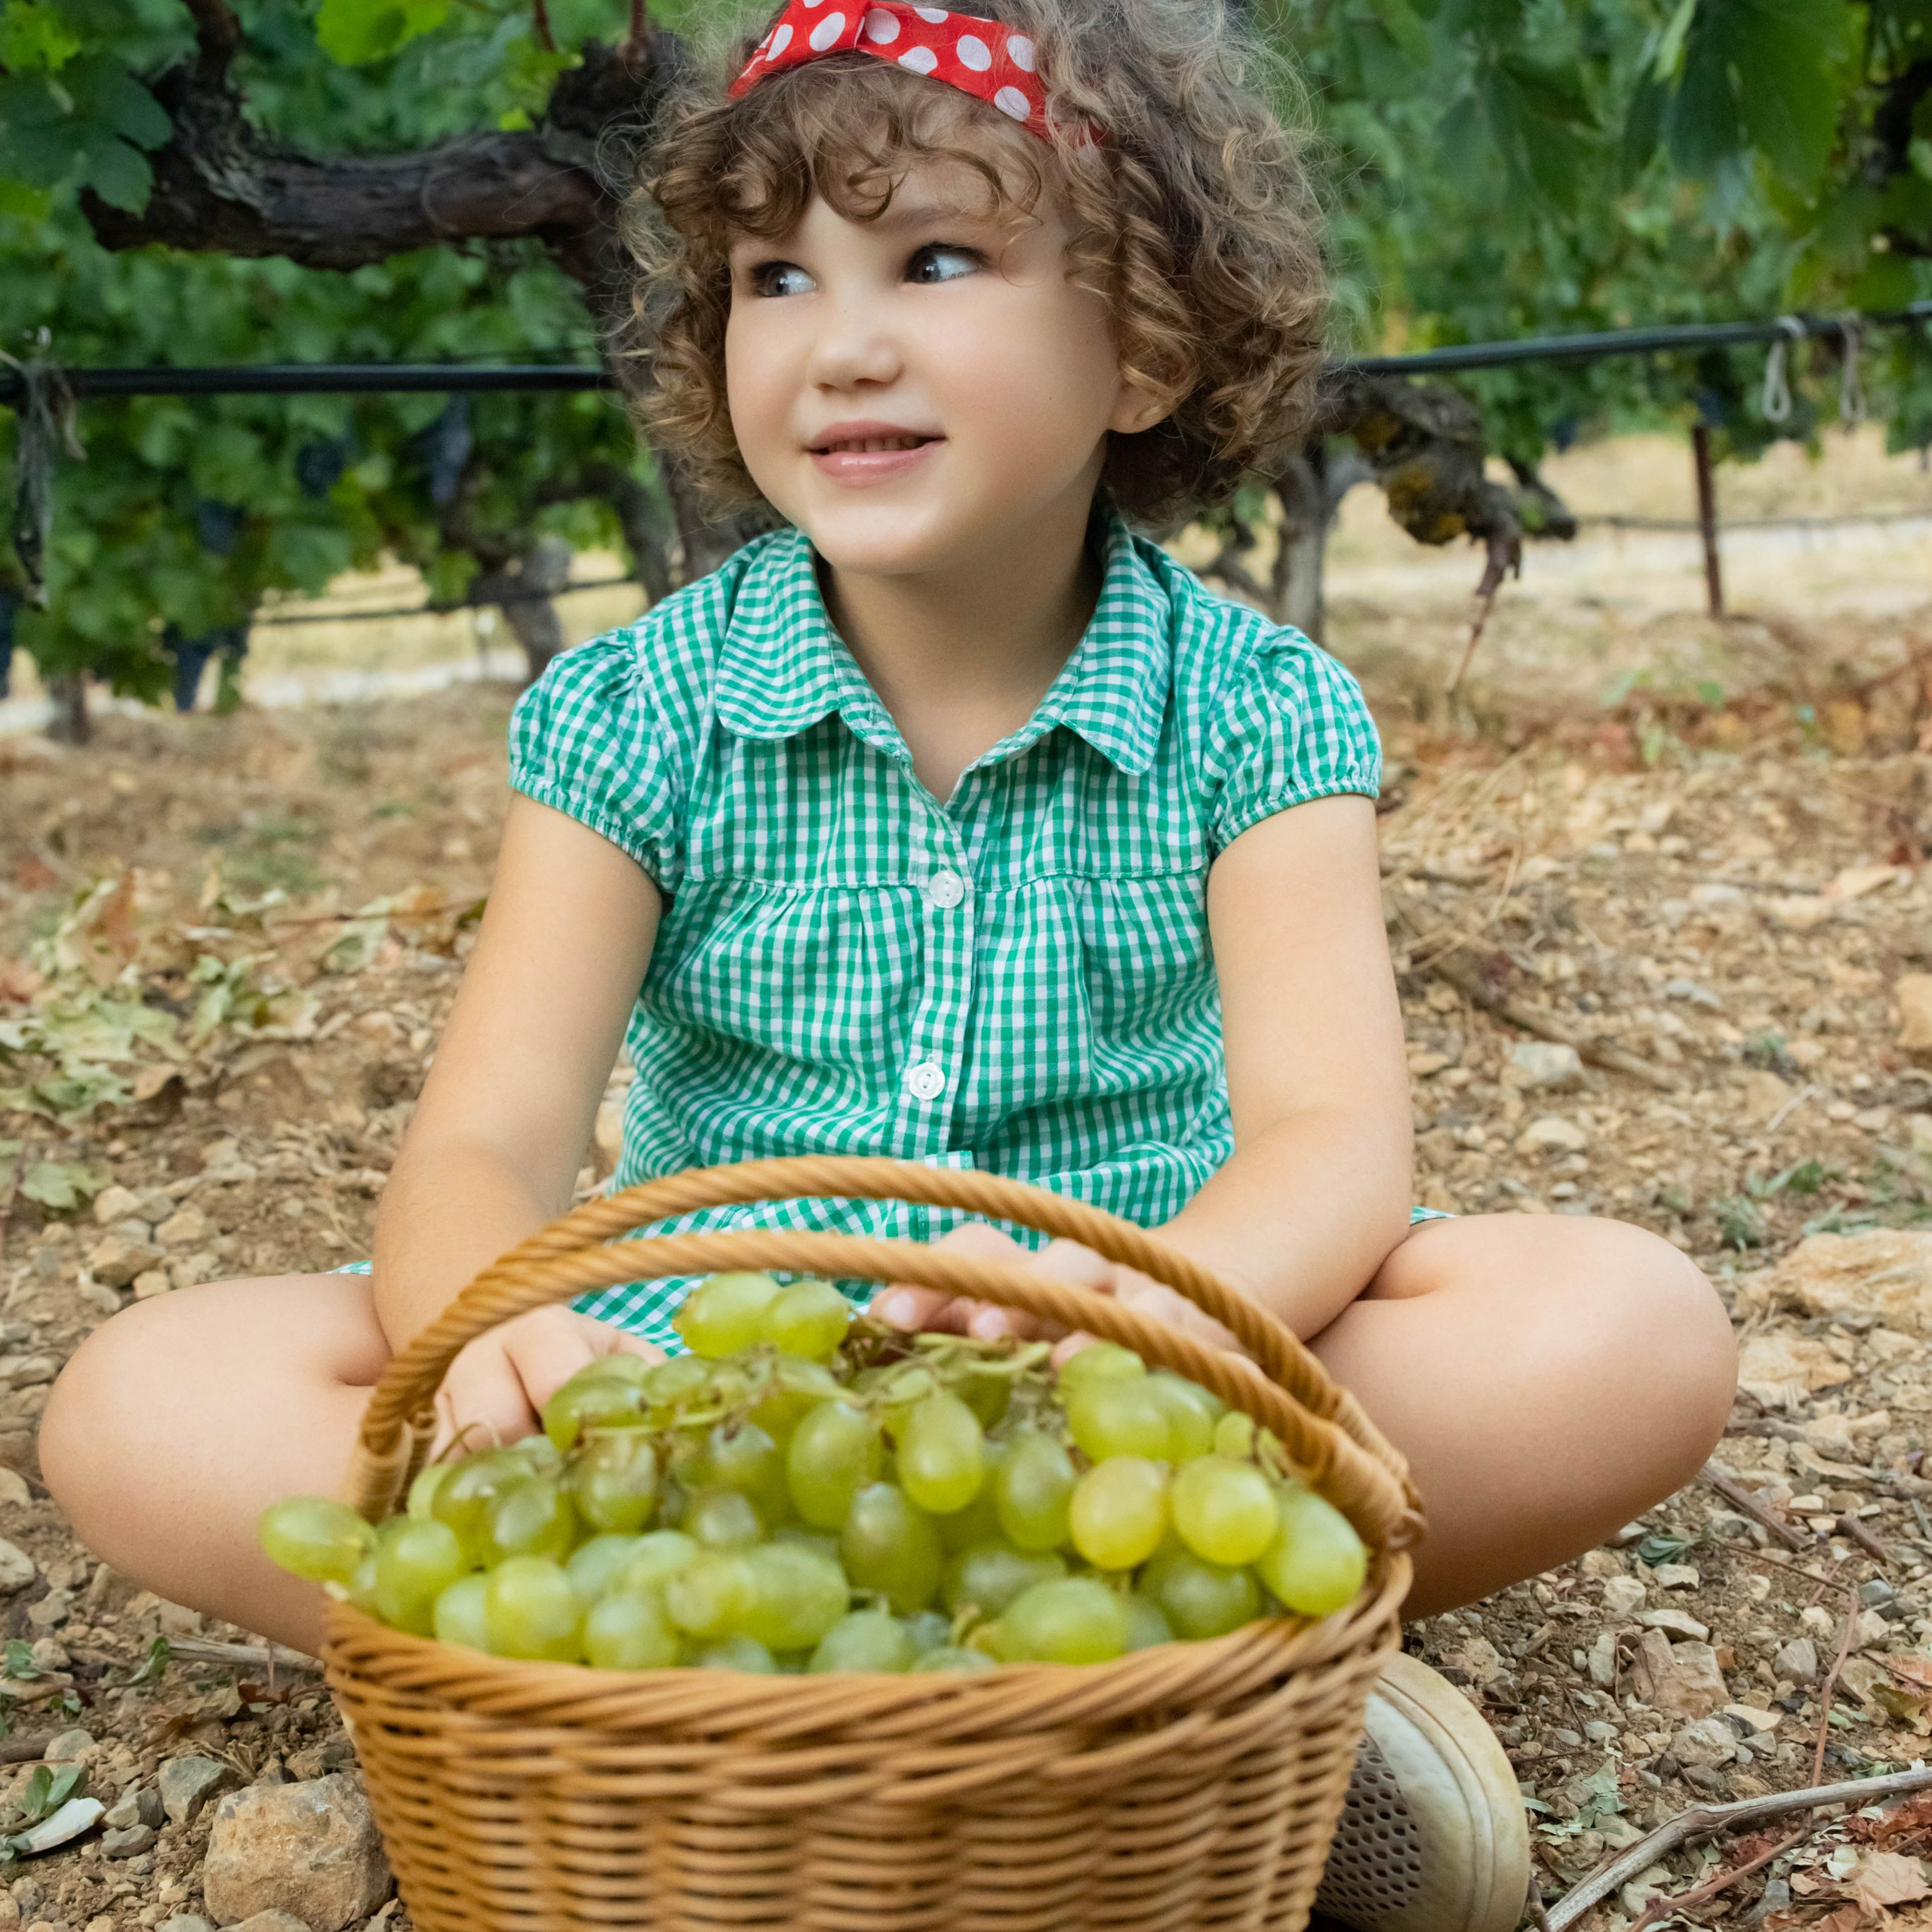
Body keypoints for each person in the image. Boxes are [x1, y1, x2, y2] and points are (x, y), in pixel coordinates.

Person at [40, 4, 1737, 1927]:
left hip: (1119, 1373)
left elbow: (1331, 1137)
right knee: (140, 1394)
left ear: (1145, 345)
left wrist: (1166, 1306)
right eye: (776, 277)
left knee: (1626, 1322)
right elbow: (488, 1145)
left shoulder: (1254, 712)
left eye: (934, 257)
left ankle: (752, 1712)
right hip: (681, 1396)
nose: (841, 338)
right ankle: (1112, 1701)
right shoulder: (640, 710)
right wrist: (493, 1331)